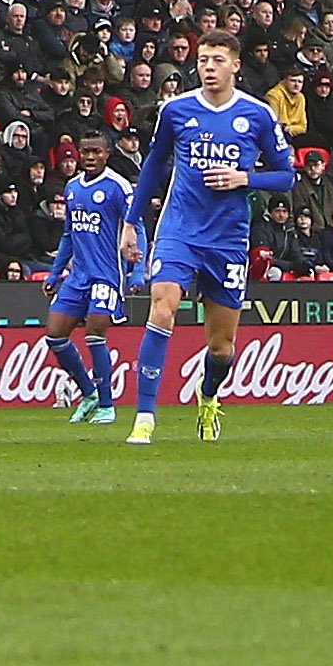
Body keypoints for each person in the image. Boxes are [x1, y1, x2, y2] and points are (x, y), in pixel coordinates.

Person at [127, 31, 289, 447]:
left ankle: (209, 394)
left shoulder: (257, 114)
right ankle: (144, 417)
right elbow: (154, 166)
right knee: (162, 308)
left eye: (217, 60)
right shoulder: (177, 110)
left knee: (221, 348)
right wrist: (131, 221)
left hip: (228, 239)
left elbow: (287, 175)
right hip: (179, 229)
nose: (209, 68)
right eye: (203, 61)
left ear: (236, 64)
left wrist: (245, 178)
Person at [39, 137, 140, 424]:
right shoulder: (72, 188)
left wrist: (137, 270)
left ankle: (107, 405)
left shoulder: (117, 187)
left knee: (95, 335)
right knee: (55, 335)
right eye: (86, 152)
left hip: (106, 276)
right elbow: (69, 235)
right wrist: (55, 272)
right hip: (77, 276)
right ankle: (89, 393)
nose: (90, 156)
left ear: (107, 154)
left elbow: (136, 228)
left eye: (96, 151)